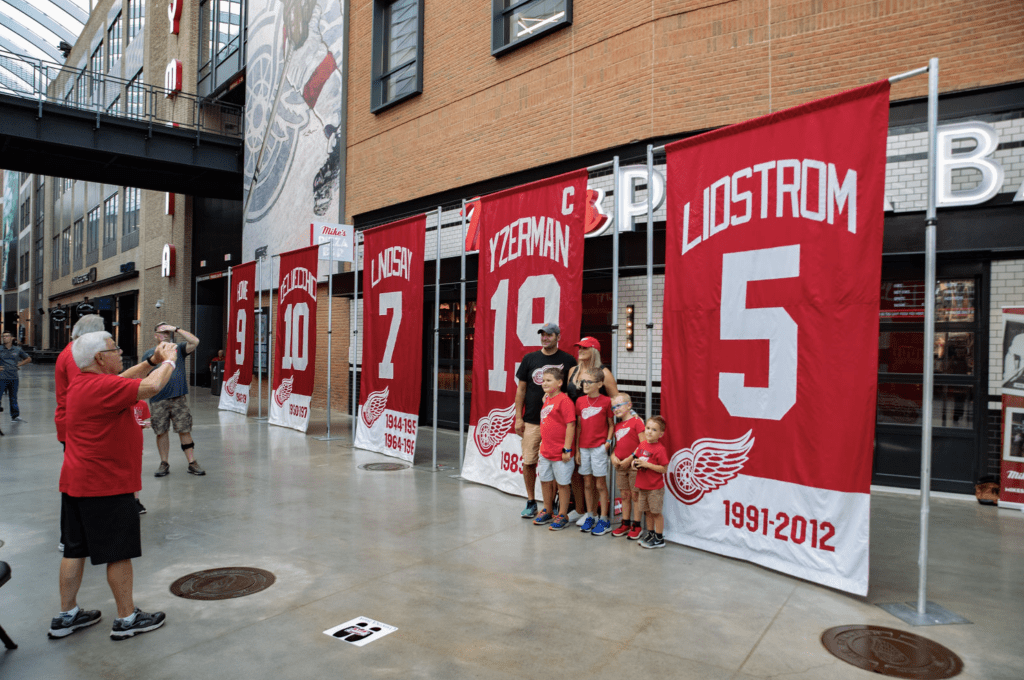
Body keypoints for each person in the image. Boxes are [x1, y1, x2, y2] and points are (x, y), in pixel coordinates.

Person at [50, 332, 178, 640]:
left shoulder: (84, 383)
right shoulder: (101, 387)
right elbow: (151, 386)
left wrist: (151, 361)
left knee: (74, 548)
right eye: (114, 349)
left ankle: (67, 615)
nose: (120, 353)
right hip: (105, 484)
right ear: (99, 358)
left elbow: (123, 380)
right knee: (118, 552)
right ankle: (126, 619)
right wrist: (171, 359)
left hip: (77, 482)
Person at [54, 314, 108, 551]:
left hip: (72, 425)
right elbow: (91, 391)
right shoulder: (78, 357)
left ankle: (76, 533)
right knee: (76, 484)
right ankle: (71, 536)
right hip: (79, 427)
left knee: (78, 481)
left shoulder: (70, 351)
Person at [514, 323, 576, 519]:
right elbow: (521, 390)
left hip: (557, 423)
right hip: (532, 420)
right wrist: (518, 417)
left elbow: (572, 391)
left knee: (557, 463)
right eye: (542, 335)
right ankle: (532, 501)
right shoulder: (530, 358)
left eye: (549, 335)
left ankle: (554, 505)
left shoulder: (568, 360)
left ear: (557, 336)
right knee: (529, 461)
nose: (545, 338)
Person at [565, 336, 618, 525]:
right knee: (576, 472)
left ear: (594, 350)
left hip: (597, 432)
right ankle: (582, 510)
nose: (580, 350)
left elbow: (616, 400)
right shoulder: (573, 370)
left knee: (597, 478)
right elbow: (566, 397)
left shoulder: (604, 373)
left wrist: (629, 421)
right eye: (578, 346)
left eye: (585, 347)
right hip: (575, 427)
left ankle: (596, 513)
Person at [141, 322, 205, 477]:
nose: (165, 334)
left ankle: (191, 462)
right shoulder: (150, 354)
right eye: (161, 332)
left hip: (178, 399)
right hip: (158, 400)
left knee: (184, 429)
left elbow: (195, 341)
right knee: (161, 432)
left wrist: (176, 329)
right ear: (156, 336)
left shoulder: (179, 349)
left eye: (167, 332)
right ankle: (164, 463)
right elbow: (144, 376)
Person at [532, 367, 576, 531]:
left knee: (562, 483)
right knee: (545, 480)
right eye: (543, 380)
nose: (544, 383)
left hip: (560, 453)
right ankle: (548, 509)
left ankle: (562, 514)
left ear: (559, 383)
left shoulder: (564, 401)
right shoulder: (548, 399)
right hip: (546, 451)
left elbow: (570, 424)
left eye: (549, 380)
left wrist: (566, 449)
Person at [574, 368, 615, 535]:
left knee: (600, 484)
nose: (585, 384)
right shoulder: (580, 401)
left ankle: (604, 519)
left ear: (599, 384)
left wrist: (608, 442)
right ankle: (591, 515)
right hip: (584, 448)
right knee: (588, 483)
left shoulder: (606, 401)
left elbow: (611, 424)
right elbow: (578, 427)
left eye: (589, 382)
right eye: (583, 381)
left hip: (598, 447)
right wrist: (577, 449)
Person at [609, 394, 645, 538]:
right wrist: (613, 456)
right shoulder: (617, 426)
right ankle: (625, 523)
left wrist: (631, 458)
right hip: (621, 466)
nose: (615, 409)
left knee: (635, 495)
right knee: (624, 495)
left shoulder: (637, 422)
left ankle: (636, 525)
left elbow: (643, 445)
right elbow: (617, 445)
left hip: (633, 465)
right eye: (613, 407)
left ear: (629, 405)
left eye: (619, 405)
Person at [632, 416, 670, 550]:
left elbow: (664, 468)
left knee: (656, 513)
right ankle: (650, 533)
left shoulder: (660, 449)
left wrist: (647, 465)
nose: (649, 432)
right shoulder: (642, 445)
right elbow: (636, 458)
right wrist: (634, 464)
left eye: (654, 430)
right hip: (643, 486)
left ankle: (659, 538)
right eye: (648, 428)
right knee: (647, 512)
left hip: (655, 488)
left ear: (660, 434)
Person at [0, 330, 32, 422]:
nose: (4, 338)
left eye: (6, 336)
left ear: (12, 338)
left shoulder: (17, 349)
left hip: (14, 378)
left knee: (13, 397)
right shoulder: (0, 349)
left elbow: (28, 358)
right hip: (1, 378)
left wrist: (19, 365)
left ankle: (15, 416)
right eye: (3, 336)